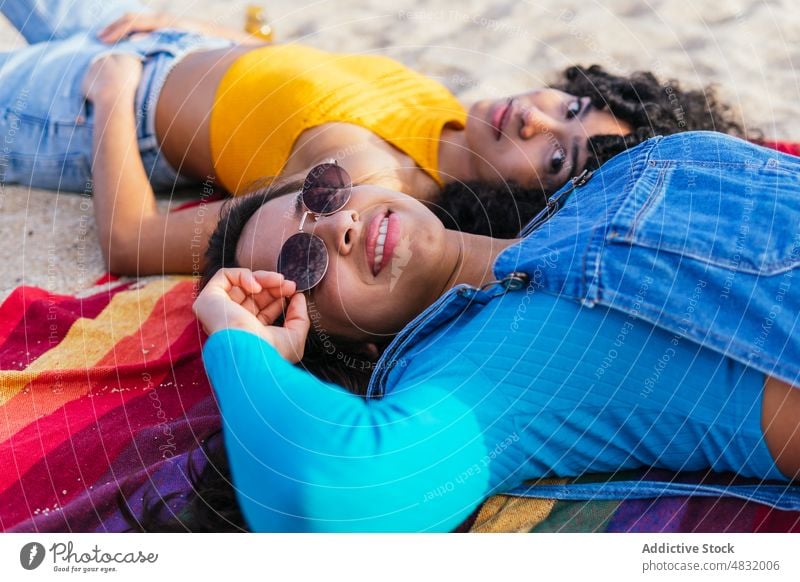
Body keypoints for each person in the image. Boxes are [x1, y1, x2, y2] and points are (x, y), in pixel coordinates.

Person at [151, 130, 800, 533]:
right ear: (349, 349)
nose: (335, 226)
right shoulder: (474, 368)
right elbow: (329, 491)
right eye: (302, 263)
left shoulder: (595, 183)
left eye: (320, 197)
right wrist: (238, 342)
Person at [1, 0, 745, 274]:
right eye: (577, 107)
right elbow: (308, 77)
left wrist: (113, 92)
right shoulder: (447, 111)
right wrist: (211, 33)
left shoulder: (359, 182)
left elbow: (133, 241)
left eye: (556, 157)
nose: (539, 117)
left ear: (523, 204)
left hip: (101, 102)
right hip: (157, 36)